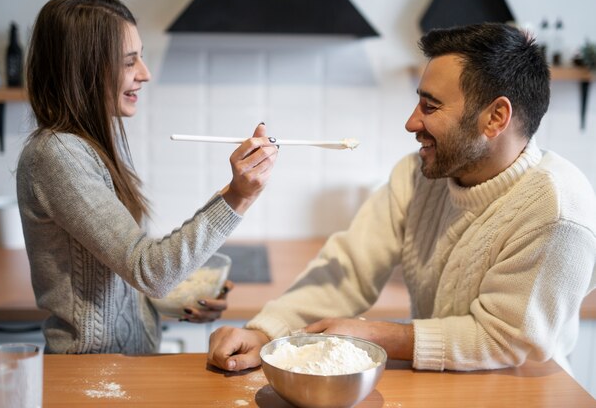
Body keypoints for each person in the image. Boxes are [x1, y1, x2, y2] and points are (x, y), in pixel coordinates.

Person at [208, 23, 596, 372]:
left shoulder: (556, 209)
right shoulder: (419, 175)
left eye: (431, 106)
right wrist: (267, 331)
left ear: (495, 118)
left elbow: (507, 339)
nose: (411, 122)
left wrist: (385, 336)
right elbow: (349, 268)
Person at [16, 0, 278, 354]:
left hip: (126, 365)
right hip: (88, 373)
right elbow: (148, 270)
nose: (145, 73)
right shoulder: (56, 155)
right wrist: (239, 196)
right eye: (129, 61)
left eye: (141, 56)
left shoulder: (92, 146)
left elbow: (129, 277)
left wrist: (182, 302)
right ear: (84, 67)